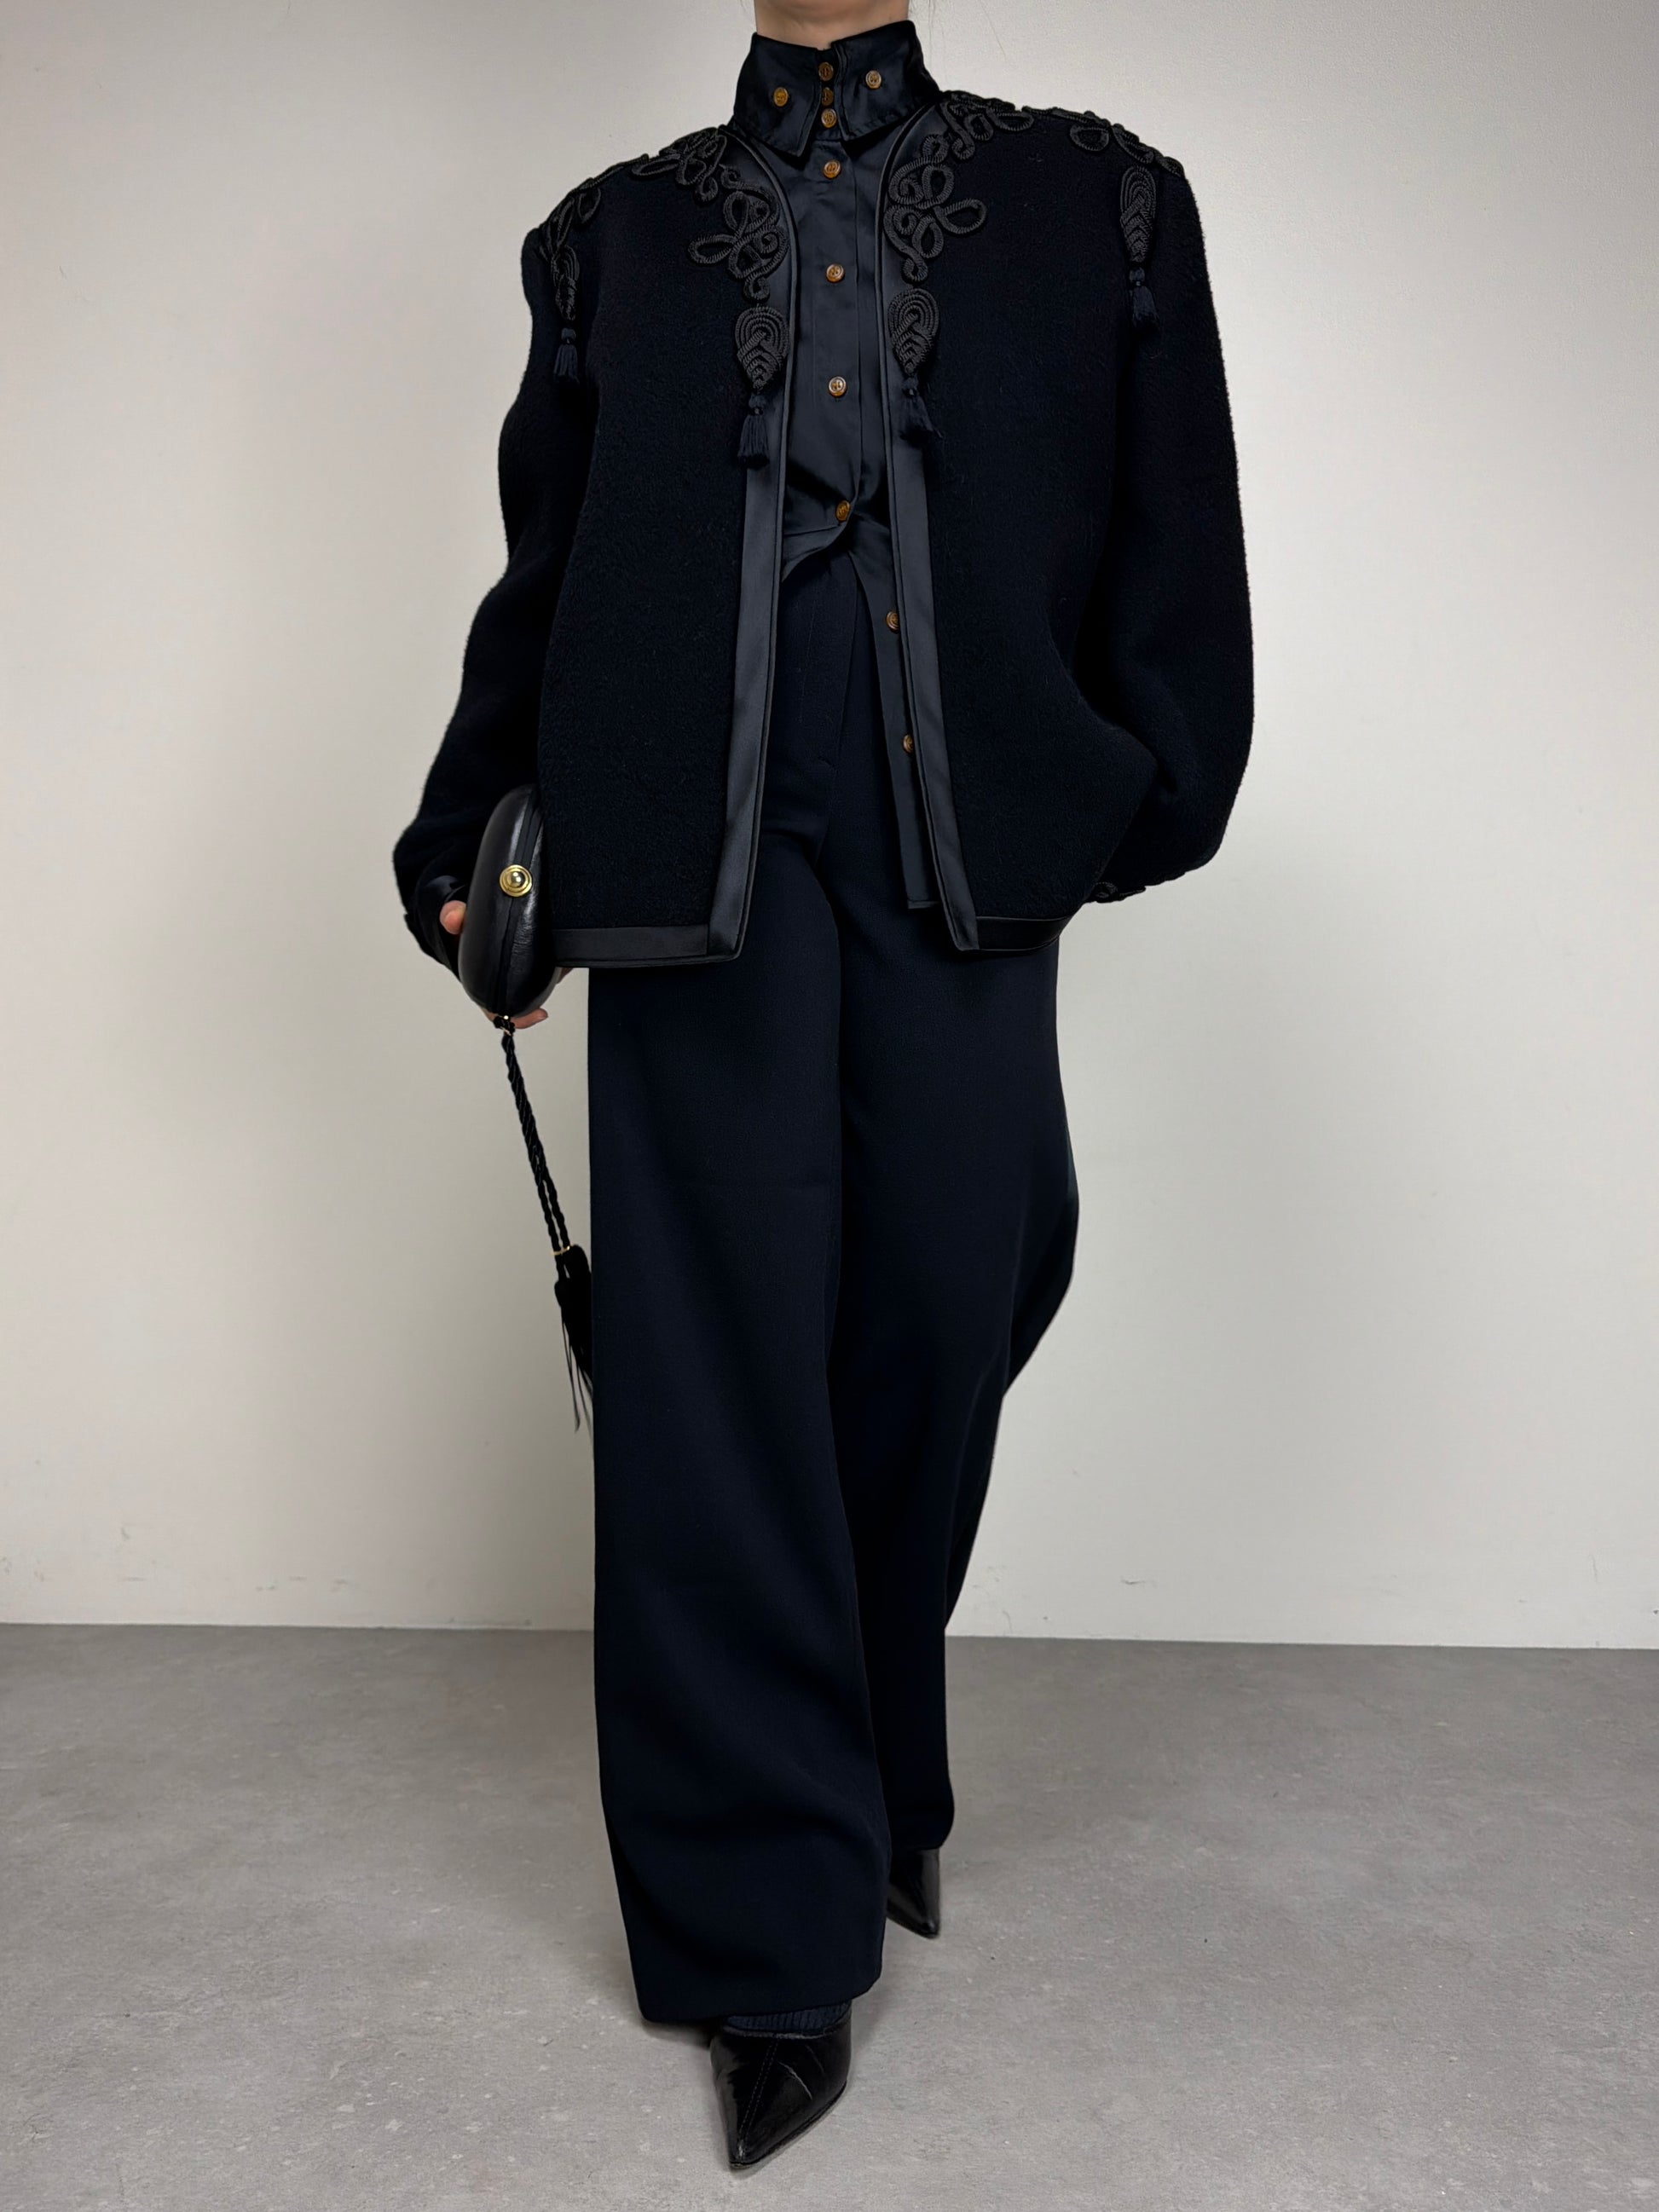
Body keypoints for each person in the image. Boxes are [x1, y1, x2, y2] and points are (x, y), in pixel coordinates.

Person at [392, 0, 1251, 2169]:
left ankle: (871, 1759)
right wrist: (474, 832)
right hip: (684, 834)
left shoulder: (1101, 201)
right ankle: (765, 1930)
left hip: (960, 821)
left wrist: (1130, 779)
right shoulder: (611, 238)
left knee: (958, 1288)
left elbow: (1176, 536)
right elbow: (549, 572)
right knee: (714, 1369)